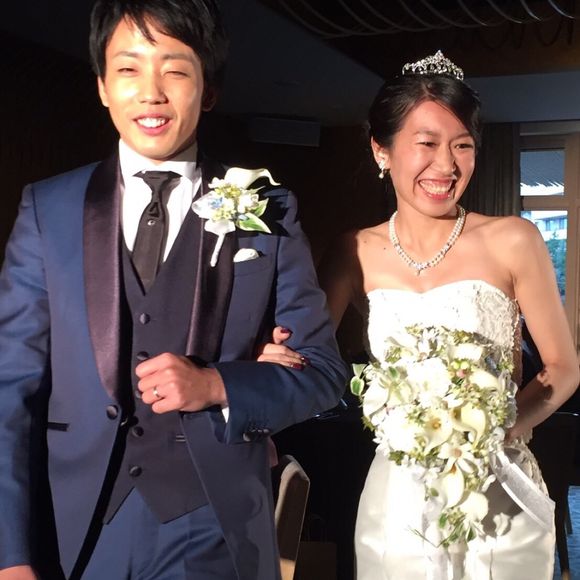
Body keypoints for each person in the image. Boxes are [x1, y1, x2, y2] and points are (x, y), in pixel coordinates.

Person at [0, 1, 347, 578]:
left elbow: (324, 373)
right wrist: (9, 554)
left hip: (212, 527)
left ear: (208, 89)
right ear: (103, 86)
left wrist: (218, 383)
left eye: (176, 70)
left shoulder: (267, 210)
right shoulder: (47, 208)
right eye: (128, 69)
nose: (151, 93)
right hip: (73, 529)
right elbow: (10, 387)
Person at [259, 51, 579, 579]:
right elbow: (311, 358)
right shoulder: (354, 251)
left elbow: (563, 369)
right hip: (399, 496)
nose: (447, 166)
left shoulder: (514, 239)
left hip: (497, 488)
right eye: (427, 144)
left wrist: (496, 434)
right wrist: (277, 358)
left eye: (463, 145)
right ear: (381, 151)